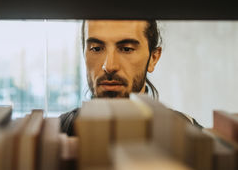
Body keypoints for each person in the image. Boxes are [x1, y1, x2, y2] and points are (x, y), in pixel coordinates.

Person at [60, 20, 201, 136]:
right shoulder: (60, 131)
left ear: (153, 58)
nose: (109, 66)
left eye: (126, 49)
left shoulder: (189, 135)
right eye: (96, 48)